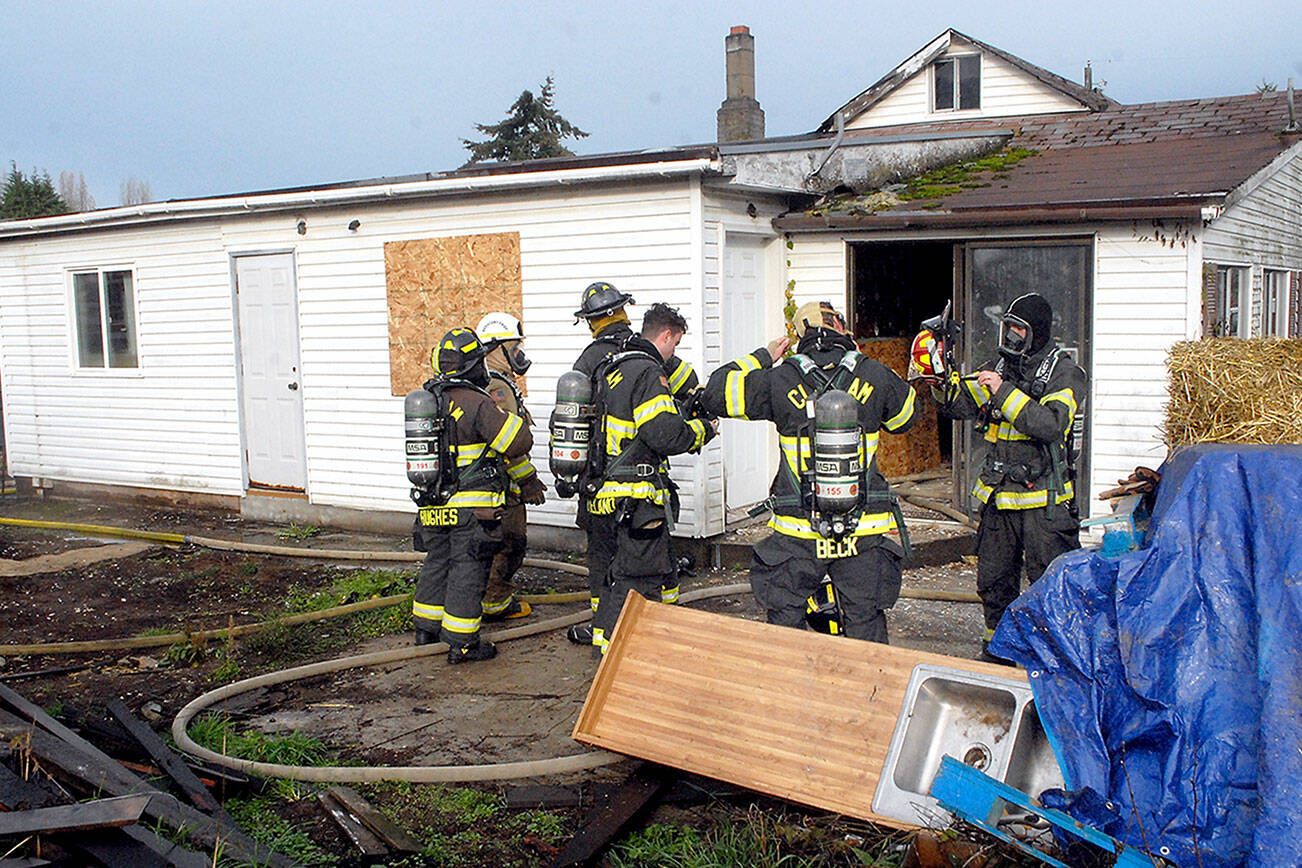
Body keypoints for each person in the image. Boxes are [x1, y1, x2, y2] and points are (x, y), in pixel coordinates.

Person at [701, 301, 917, 643]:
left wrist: (765, 355)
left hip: (798, 531)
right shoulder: (873, 373)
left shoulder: (780, 378)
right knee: (866, 622)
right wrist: (867, 368)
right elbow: (906, 417)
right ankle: (870, 692)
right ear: (842, 330)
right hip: (862, 533)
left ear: (800, 335)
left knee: (787, 625)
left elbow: (715, 391)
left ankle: (792, 691)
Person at [915, 292, 1087, 662]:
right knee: (993, 583)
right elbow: (958, 404)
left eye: (1018, 329)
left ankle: (1052, 660)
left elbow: (1051, 425)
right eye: (1007, 327)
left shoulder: (1065, 372)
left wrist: (1002, 390)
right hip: (999, 499)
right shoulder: (1001, 367)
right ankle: (998, 653)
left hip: (1045, 504)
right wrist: (940, 377)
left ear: (1037, 332)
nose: (1011, 336)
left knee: (1050, 586)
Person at [563, 282, 714, 653]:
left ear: (590, 322)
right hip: (635, 492)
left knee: (604, 565)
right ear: (623, 311)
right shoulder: (645, 362)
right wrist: (699, 427)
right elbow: (683, 403)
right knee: (643, 568)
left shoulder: (589, 364)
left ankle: (605, 632)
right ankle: (637, 640)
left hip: (595, 488)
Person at [410, 327, 534, 664]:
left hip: (433, 505)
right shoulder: (476, 401)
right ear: (473, 365)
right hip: (470, 509)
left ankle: (426, 629)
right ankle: (463, 645)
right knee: (467, 569)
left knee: (436, 563)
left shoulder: (429, 400)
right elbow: (516, 443)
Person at [475, 312, 547, 623]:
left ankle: (484, 599)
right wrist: (527, 480)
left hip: (492, 483)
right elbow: (508, 442)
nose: (520, 353)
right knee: (509, 541)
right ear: (497, 348)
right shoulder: (494, 385)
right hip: (501, 486)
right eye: (514, 346)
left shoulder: (492, 380)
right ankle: (496, 602)